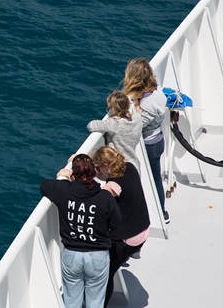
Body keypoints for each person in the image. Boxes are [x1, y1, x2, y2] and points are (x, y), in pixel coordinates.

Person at [40, 154, 122, 308]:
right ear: (94, 172)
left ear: (74, 174)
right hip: (98, 256)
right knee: (95, 303)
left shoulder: (63, 191)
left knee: (71, 302)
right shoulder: (105, 197)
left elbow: (44, 186)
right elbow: (116, 225)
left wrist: (64, 176)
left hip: (72, 256)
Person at [91, 146, 150, 308]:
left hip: (129, 237)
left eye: (97, 168)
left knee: (105, 275)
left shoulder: (114, 185)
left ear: (106, 167)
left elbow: (99, 197)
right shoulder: (130, 167)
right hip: (143, 228)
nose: (96, 172)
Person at [122, 57, 169, 224]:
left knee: (146, 180)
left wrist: (135, 108)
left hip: (148, 146)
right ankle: (162, 212)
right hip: (158, 140)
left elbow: (137, 126)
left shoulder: (145, 104)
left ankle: (154, 215)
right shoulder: (158, 94)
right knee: (156, 179)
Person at [87, 91, 143, 172]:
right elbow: (137, 114)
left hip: (120, 167)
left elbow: (90, 125)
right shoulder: (138, 119)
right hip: (134, 165)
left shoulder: (114, 123)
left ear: (113, 108)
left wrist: (110, 117)